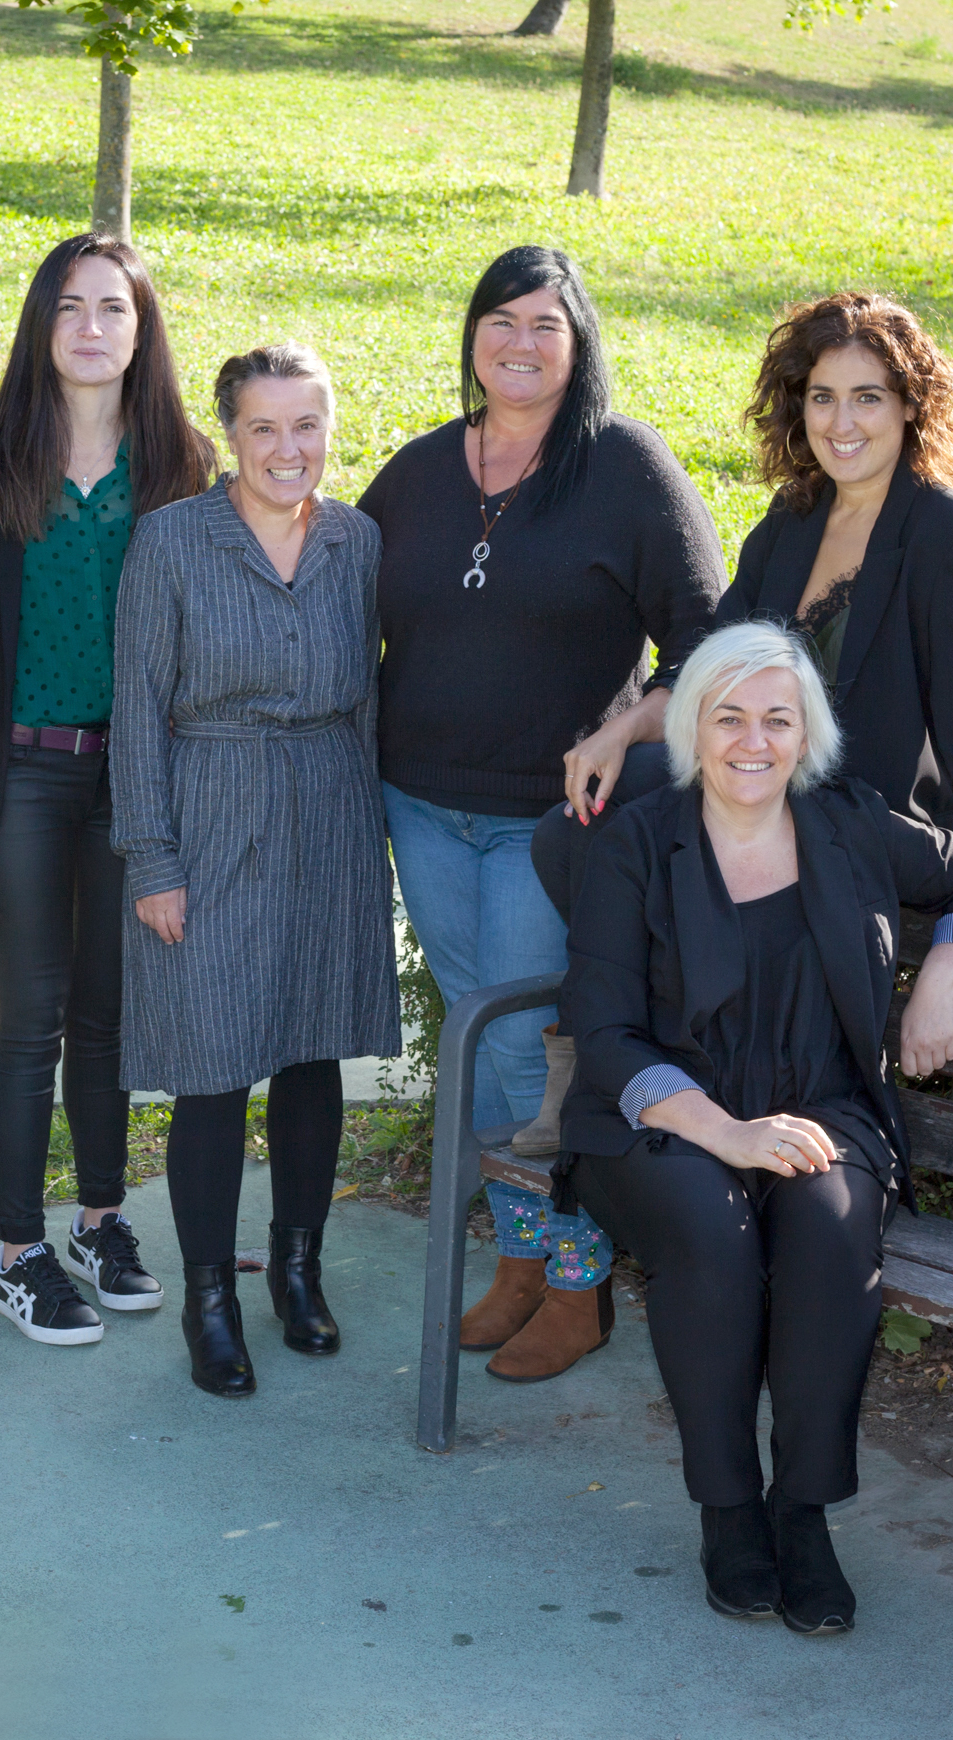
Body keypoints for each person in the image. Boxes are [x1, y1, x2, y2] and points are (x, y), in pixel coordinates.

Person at [559, 621, 953, 1635]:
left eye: (777, 718)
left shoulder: (848, 822)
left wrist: (938, 980)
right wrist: (724, 1132)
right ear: (691, 728)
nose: (752, 741)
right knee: (709, 1233)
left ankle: (800, 1512)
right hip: (666, 1120)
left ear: (807, 734)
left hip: (823, 1104)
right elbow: (604, 1030)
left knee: (830, 1225)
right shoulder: (638, 840)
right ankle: (728, 1509)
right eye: (727, 717)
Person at [359, 245, 723, 1384]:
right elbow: (341, 608)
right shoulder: (420, 471)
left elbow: (711, 644)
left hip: (551, 821)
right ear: (472, 333)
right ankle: (520, 1261)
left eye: (545, 324)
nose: (519, 342)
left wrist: (623, 729)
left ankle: (577, 1279)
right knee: (476, 1041)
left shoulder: (624, 467)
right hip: (421, 805)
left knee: (525, 1050)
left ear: (578, 344)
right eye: (501, 320)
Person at [560, 290, 953, 969]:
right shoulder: (794, 518)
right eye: (822, 398)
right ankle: (626, 1004)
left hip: (858, 817)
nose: (841, 423)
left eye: (867, 398)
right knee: (580, 821)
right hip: (762, 788)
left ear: (909, 405)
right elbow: (711, 670)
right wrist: (620, 731)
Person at [112, 343, 400, 1399]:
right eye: (264, 427)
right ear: (229, 434)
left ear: (329, 429)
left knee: (311, 1051)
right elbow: (136, 707)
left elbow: (370, 698)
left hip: (328, 811)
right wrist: (153, 858)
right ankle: (209, 1300)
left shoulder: (357, 540)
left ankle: (296, 1271)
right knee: (213, 1063)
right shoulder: (171, 540)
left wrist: (370, 846)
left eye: (306, 425)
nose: (288, 448)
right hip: (209, 810)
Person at [0, 234, 217, 1346]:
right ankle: (18, 1252)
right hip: (16, 767)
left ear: (142, 330)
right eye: (69, 306)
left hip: (130, 773)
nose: (91, 327)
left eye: (113, 307)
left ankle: (101, 1222)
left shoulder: (181, 460)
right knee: (31, 1014)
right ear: (40, 323)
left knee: (107, 1015)